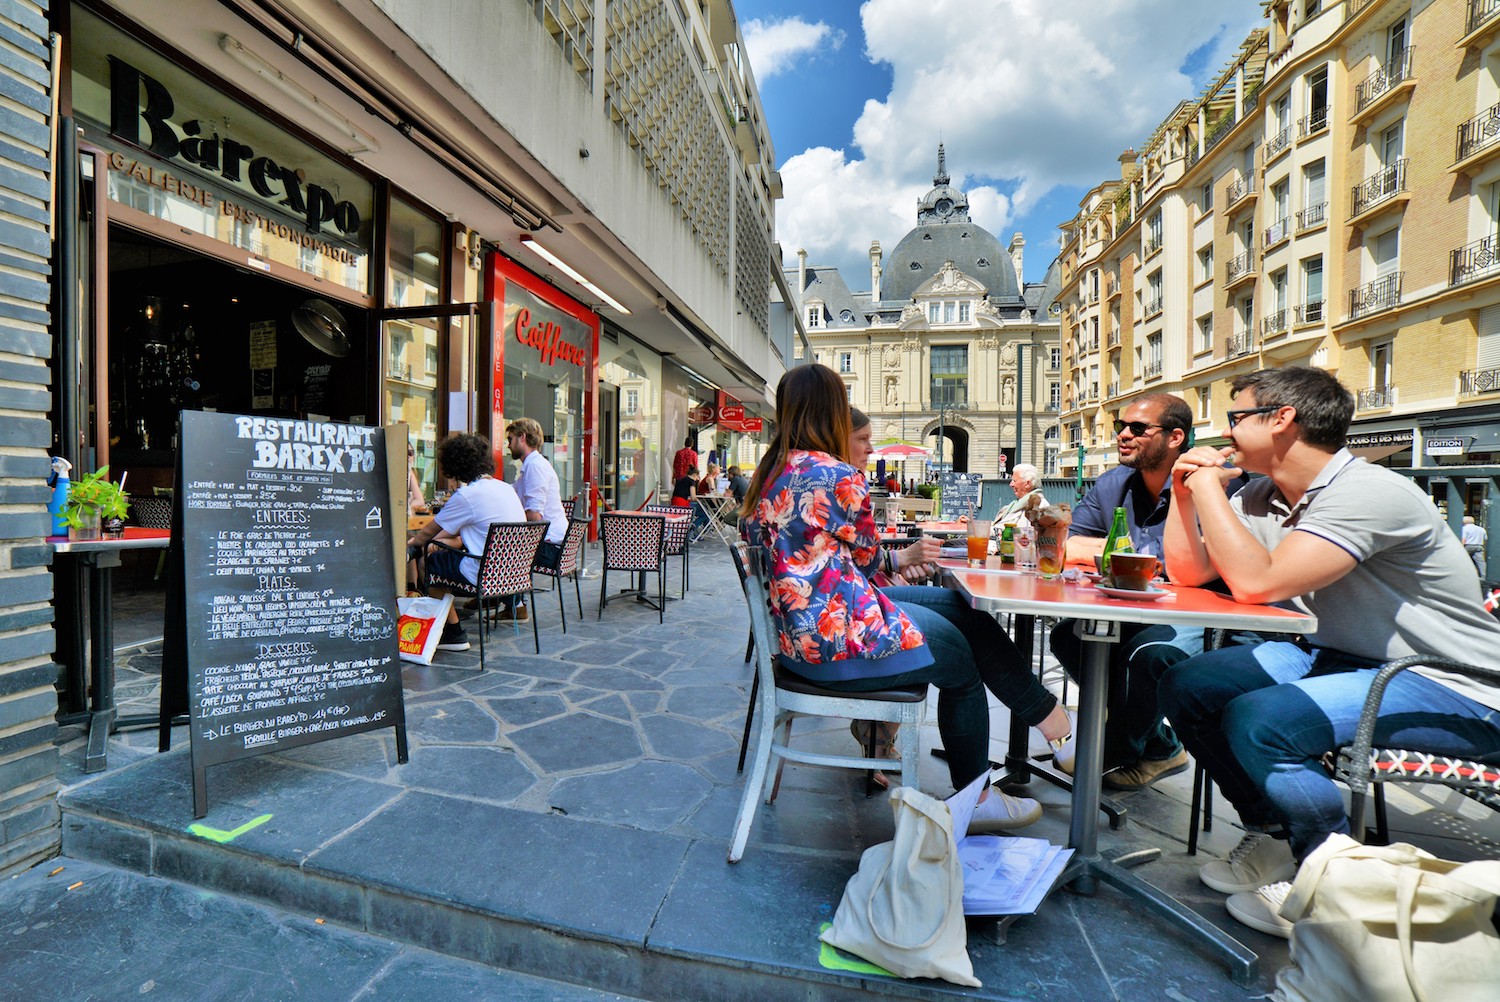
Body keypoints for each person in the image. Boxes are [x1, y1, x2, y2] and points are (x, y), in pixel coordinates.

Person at [1159, 366, 1500, 938]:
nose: (1225, 430)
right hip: (1340, 654)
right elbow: (1191, 571)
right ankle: (1275, 835)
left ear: (1282, 420)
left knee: (1262, 721)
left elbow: (1256, 584)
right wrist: (1183, 494)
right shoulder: (1267, 494)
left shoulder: (1367, 492)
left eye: (1237, 417)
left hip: (1453, 682)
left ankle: (1333, 885)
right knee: (1188, 683)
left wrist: (1212, 489)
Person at [741, 365, 1073, 831]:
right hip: (839, 642)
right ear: (832, 411)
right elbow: (868, 557)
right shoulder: (836, 474)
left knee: (965, 611)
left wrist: (890, 565)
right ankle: (977, 797)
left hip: (804, 637)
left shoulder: (769, 474)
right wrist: (894, 563)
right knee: (961, 662)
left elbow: (841, 560)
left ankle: (1050, 721)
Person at [1048, 393, 1246, 788]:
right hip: (1133, 606)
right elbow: (1066, 544)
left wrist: (1125, 557)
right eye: (1121, 426)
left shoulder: (1215, 485)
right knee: (1068, 637)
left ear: (1175, 437)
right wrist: (1147, 558)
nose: (1123, 435)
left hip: (1204, 612)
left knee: (1147, 654)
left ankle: (1111, 748)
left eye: (1137, 429)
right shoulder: (1112, 484)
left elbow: (1205, 566)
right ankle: (1159, 747)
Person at [407, 432, 525, 652]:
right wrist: (432, 542)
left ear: (455, 466)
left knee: (428, 563)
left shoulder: (467, 495)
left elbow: (426, 534)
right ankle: (448, 623)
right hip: (513, 576)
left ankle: (453, 633)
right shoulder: (506, 489)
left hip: (482, 573)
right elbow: (461, 535)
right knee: (440, 553)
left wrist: (410, 546)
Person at [506, 417, 568, 586]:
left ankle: (513, 605)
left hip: (550, 548)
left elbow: (534, 517)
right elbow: (511, 491)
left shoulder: (535, 467)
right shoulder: (533, 465)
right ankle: (503, 599)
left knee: (498, 549)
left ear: (522, 437)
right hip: (553, 544)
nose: (508, 445)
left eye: (510, 439)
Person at [1462, 515, 1488, 581]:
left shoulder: (1465, 528)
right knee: (1480, 562)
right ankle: (1484, 576)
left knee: (1464, 560)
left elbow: (1464, 539)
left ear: (1465, 522)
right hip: (1479, 546)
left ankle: (1465, 575)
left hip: (1468, 546)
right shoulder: (1481, 529)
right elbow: (1485, 539)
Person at [406, 444, 428, 514]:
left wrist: (408, 507)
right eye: (405, 453)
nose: (409, 456)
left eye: (410, 453)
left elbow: (420, 500)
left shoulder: (411, 473)